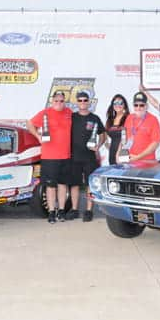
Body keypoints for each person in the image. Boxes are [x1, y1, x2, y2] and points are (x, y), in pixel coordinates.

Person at [26, 90, 73, 223]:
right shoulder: (45, 113)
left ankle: (61, 210)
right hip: (49, 157)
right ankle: (52, 211)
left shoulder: (69, 113)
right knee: (50, 186)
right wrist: (38, 136)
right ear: (52, 101)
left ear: (65, 101)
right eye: (56, 100)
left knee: (63, 185)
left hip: (66, 156)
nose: (59, 103)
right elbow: (29, 124)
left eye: (61, 100)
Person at [69, 91, 106, 222]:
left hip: (89, 157)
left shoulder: (95, 118)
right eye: (80, 100)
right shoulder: (71, 117)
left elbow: (103, 135)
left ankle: (89, 210)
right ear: (76, 102)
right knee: (74, 184)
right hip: (73, 156)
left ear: (89, 102)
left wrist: (99, 146)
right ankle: (74, 209)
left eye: (85, 100)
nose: (83, 102)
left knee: (90, 184)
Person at [116, 91, 160, 162]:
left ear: (146, 106)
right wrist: (118, 154)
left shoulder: (153, 120)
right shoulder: (129, 118)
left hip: (147, 162)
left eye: (141, 105)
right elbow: (123, 138)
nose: (138, 107)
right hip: (129, 160)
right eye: (136, 105)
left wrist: (138, 157)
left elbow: (155, 143)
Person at [104, 94, 129, 165]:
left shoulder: (129, 118)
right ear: (112, 105)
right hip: (112, 153)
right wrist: (106, 143)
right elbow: (105, 134)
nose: (118, 105)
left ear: (125, 105)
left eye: (121, 103)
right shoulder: (110, 120)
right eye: (115, 103)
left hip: (124, 153)